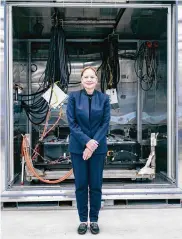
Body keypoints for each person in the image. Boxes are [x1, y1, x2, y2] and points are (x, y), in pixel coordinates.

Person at [66, 66, 110, 235]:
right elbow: (72, 124)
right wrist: (87, 143)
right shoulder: (73, 98)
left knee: (96, 186)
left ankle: (95, 220)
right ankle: (83, 220)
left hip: (98, 150)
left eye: (92, 77)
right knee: (81, 185)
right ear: (82, 80)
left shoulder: (104, 98)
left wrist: (92, 145)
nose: (89, 79)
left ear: (96, 80)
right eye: (86, 77)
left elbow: (105, 124)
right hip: (78, 149)